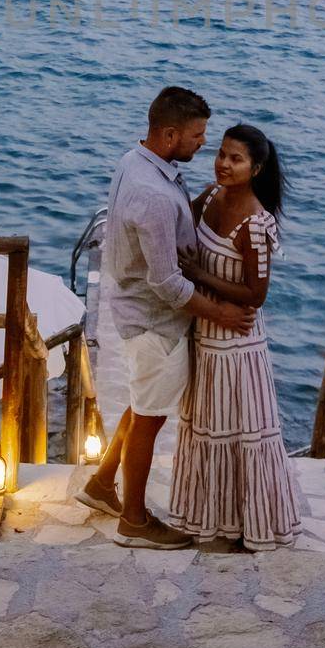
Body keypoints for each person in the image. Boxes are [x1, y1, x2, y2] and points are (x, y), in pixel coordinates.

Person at [77, 86, 256, 549]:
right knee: (150, 418)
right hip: (155, 324)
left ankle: (101, 484)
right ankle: (134, 521)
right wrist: (223, 312)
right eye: (197, 136)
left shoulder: (136, 161)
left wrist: (194, 205)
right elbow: (168, 284)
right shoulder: (153, 193)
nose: (203, 144)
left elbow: (161, 230)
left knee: (141, 406)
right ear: (170, 133)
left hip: (135, 310)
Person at [168, 122, 301, 550]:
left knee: (239, 437)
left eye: (236, 159)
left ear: (256, 168)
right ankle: (208, 521)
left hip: (236, 349)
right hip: (203, 334)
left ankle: (249, 527)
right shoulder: (208, 197)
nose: (224, 164)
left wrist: (197, 273)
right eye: (222, 154)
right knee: (206, 430)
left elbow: (256, 295)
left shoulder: (256, 225)